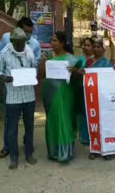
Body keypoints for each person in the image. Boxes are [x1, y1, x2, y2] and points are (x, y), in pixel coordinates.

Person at [0, 17, 41, 159]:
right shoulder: (5, 48)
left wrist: (30, 74)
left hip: (28, 94)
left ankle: (28, 151)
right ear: (12, 40)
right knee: (11, 125)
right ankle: (10, 149)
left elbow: (36, 65)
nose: (24, 43)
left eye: (29, 34)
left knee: (29, 125)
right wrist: (4, 76)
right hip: (12, 93)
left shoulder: (32, 47)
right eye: (19, 42)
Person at [42, 31, 80, 162]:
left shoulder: (71, 59)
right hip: (48, 93)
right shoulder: (48, 56)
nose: (52, 43)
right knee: (52, 120)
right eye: (51, 41)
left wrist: (75, 71)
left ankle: (64, 153)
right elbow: (42, 75)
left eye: (55, 41)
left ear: (62, 43)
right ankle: (53, 152)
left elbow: (76, 80)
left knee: (63, 119)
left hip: (64, 94)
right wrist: (43, 64)